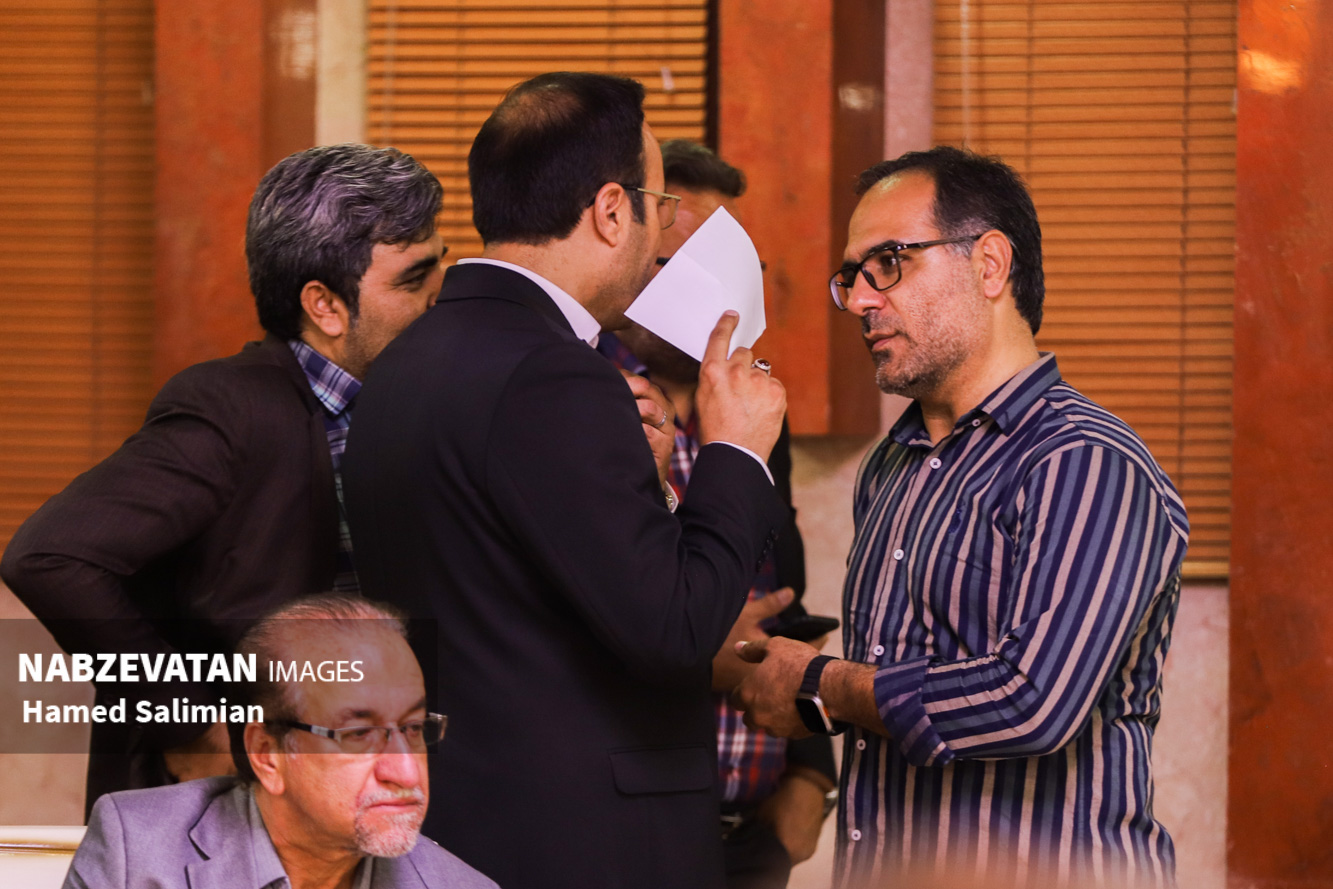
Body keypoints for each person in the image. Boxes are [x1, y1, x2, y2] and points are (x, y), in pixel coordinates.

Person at [342, 72, 788, 889]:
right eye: (659, 203)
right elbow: (675, 628)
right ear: (612, 210)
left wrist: (654, 488)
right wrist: (735, 451)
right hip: (583, 843)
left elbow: (535, 581)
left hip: (455, 826)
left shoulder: (406, 361)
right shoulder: (554, 374)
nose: (664, 231)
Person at [730, 146, 1189, 888]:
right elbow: (906, 682)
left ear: (989, 265)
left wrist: (820, 683)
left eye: (889, 262)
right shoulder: (892, 464)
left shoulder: (1084, 459)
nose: (860, 300)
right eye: (851, 276)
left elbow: (1032, 702)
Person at [0, 144, 446, 813]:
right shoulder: (230, 408)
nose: (441, 293)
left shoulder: (408, 402)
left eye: (441, 265)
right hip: (228, 812)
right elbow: (49, 557)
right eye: (413, 280)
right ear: (325, 306)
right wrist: (189, 722)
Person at [597, 139, 836, 889]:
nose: (724, 300)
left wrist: (811, 775)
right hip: (627, 836)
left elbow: (782, 588)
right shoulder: (581, 402)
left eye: (738, 270)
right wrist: (700, 658)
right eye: (690, 270)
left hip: (755, 835)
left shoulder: (754, 407)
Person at [62, 594, 497, 889]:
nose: (404, 772)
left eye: (414, 729)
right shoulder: (137, 853)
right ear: (267, 754)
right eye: (358, 735)